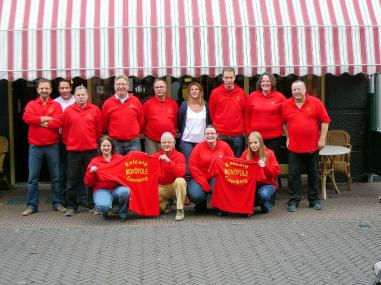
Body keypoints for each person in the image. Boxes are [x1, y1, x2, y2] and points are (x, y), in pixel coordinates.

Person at [281, 80, 330, 212]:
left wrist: (322, 139)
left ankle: (314, 201)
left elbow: (325, 121)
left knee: (314, 174)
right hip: (294, 147)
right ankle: (293, 201)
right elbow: (283, 123)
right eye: (294, 90)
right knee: (293, 175)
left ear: (304, 90)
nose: (296, 92)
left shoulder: (315, 102)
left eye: (299, 89)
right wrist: (288, 136)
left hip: (312, 146)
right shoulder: (286, 105)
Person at [22, 78, 66, 216]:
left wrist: (39, 120)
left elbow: (59, 122)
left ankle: (57, 203)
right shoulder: (31, 104)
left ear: (51, 90)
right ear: (37, 90)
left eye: (46, 88)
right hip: (35, 146)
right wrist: (47, 118)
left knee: (56, 177)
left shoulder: (57, 105)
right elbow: (27, 118)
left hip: (52, 145)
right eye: (42, 88)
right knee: (32, 178)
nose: (44, 90)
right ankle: (31, 206)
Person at [62, 85, 103, 216]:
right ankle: (71, 206)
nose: (81, 97)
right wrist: (70, 143)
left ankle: (93, 205)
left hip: (91, 150)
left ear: (87, 96)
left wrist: (93, 142)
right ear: (75, 96)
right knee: (72, 179)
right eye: (78, 95)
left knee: (92, 178)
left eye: (83, 95)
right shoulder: (68, 111)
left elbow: (99, 131)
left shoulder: (95, 110)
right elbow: (65, 132)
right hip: (73, 151)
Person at [84, 136, 130, 222]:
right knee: (103, 206)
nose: (106, 148)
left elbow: (129, 169)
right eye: (103, 146)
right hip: (101, 190)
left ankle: (123, 213)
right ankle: (105, 209)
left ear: (112, 146)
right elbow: (88, 183)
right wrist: (91, 173)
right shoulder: (95, 161)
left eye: (108, 145)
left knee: (126, 191)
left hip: (117, 188)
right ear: (100, 147)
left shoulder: (119, 158)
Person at [188, 125, 234, 211]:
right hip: (201, 176)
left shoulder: (225, 146)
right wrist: (204, 183)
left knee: (219, 187)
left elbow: (231, 162)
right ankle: (201, 203)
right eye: (207, 133)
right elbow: (193, 167)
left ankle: (219, 206)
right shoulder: (198, 147)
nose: (210, 135)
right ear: (204, 135)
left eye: (212, 133)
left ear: (217, 135)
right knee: (195, 195)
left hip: (218, 176)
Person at [245, 73, 287, 162]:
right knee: (255, 163)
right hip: (256, 138)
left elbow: (286, 115)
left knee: (271, 162)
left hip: (274, 138)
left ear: (272, 83)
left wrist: (285, 131)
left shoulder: (279, 97)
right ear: (260, 83)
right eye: (263, 81)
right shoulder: (253, 96)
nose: (265, 83)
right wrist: (249, 133)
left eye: (268, 81)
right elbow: (247, 115)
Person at [208, 67, 246, 157]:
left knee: (236, 161)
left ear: (235, 77)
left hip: (237, 134)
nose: (229, 80)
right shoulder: (215, 93)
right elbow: (212, 112)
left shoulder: (241, 93)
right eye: (226, 78)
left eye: (231, 77)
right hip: (221, 133)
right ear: (222, 78)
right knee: (221, 160)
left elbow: (245, 112)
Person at [102, 75, 144, 154]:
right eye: (118, 84)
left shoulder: (136, 101)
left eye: (123, 84)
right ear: (114, 86)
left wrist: (133, 131)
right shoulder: (107, 103)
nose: (121, 87)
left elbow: (141, 120)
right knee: (117, 166)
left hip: (133, 142)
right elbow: (105, 123)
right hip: (115, 142)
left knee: (134, 165)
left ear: (128, 86)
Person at [241, 131, 280, 213]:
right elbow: (240, 169)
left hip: (268, 184)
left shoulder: (269, 153)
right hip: (252, 185)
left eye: (255, 142)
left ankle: (263, 202)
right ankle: (255, 202)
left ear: (261, 142)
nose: (253, 145)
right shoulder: (245, 154)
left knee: (263, 195)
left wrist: (265, 166)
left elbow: (276, 172)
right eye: (251, 143)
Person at [178, 82, 210, 180]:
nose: (194, 91)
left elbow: (209, 122)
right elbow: (180, 121)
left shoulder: (206, 106)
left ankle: (199, 187)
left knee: (201, 166)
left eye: (197, 89)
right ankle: (188, 191)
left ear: (201, 92)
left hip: (202, 142)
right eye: (192, 89)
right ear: (188, 92)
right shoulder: (184, 105)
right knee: (189, 167)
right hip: (186, 141)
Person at [152, 132, 187, 221]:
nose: (166, 144)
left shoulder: (180, 156)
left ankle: (180, 209)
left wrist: (169, 161)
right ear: (160, 144)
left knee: (180, 181)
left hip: (173, 186)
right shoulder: (155, 156)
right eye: (164, 142)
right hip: (161, 187)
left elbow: (181, 174)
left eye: (169, 142)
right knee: (153, 209)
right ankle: (166, 204)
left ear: (174, 144)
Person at [54, 79, 76, 206]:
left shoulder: (76, 100)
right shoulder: (55, 102)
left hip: (74, 139)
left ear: (70, 88)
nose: (65, 90)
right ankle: (62, 198)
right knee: (61, 170)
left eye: (66, 88)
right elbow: (53, 121)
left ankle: (75, 197)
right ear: (58, 89)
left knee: (73, 170)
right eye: (62, 88)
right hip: (58, 138)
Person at [143, 79, 178, 154]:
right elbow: (143, 121)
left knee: (168, 163)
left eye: (161, 87)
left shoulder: (173, 103)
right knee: (152, 163)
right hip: (152, 141)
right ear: (154, 89)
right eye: (157, 87)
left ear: (166, 89)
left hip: (169, 140)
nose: (159, 89)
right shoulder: (148, 104)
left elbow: (175, 121)